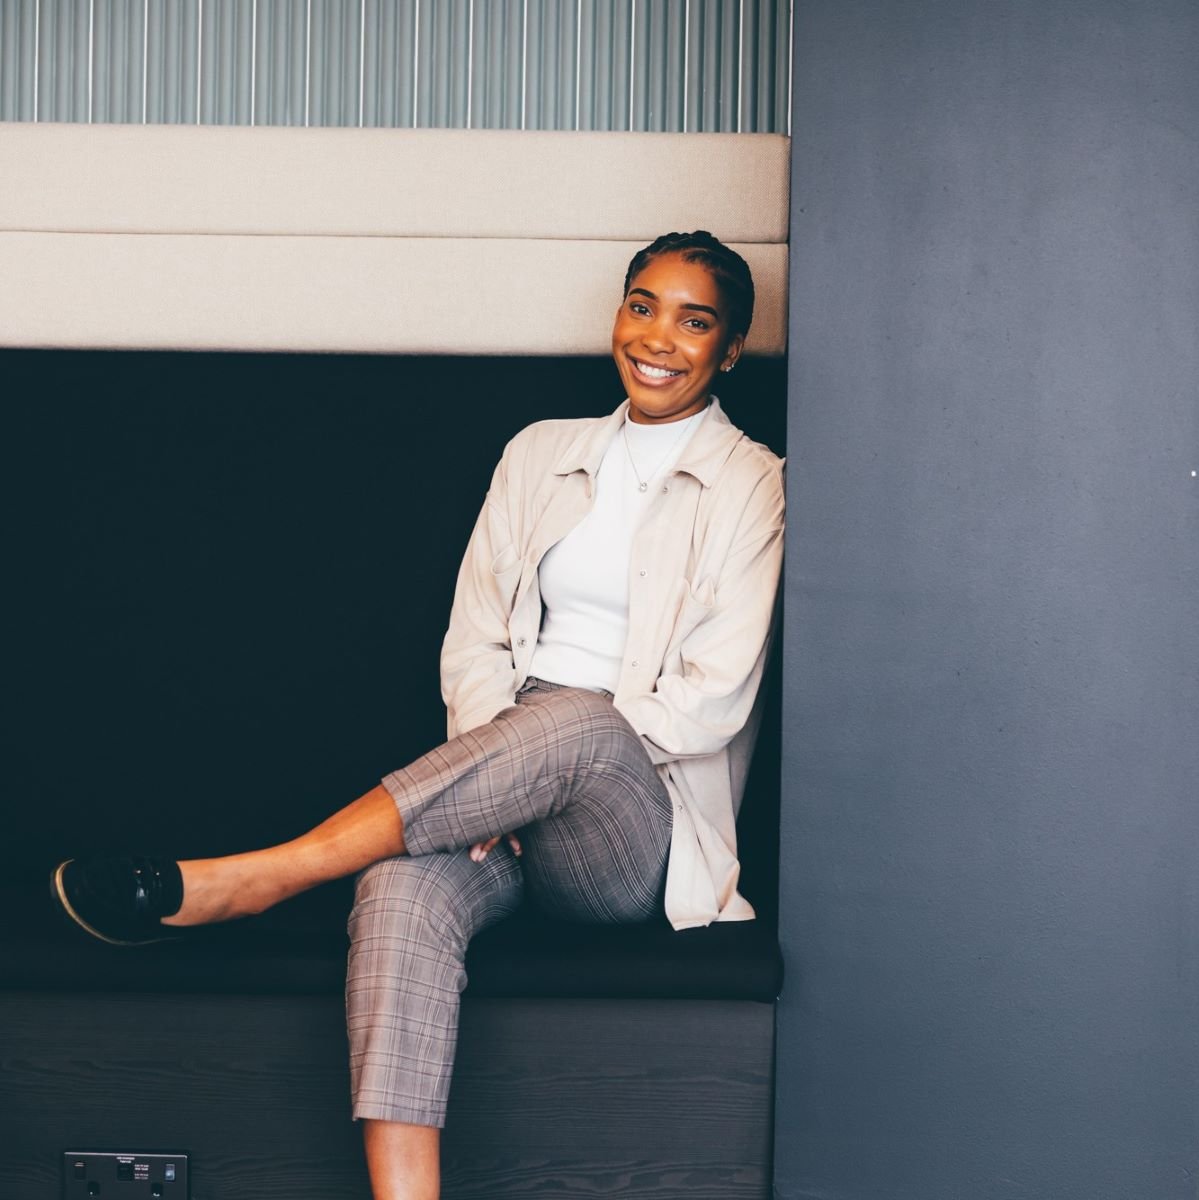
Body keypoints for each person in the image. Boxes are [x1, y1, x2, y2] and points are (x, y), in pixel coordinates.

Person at [50, 230, 785, 1200]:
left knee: (584, 726)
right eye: (642, 304)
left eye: (695, 322)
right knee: (396, 896)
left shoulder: (753, 482)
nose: (658, 336)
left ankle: (263, 877)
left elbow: (711, 700)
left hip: (633, 820)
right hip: (498, 785)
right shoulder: (540, 454)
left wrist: (542, 765)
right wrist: (505, 780)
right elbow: (473, 641)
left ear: (730, 348)